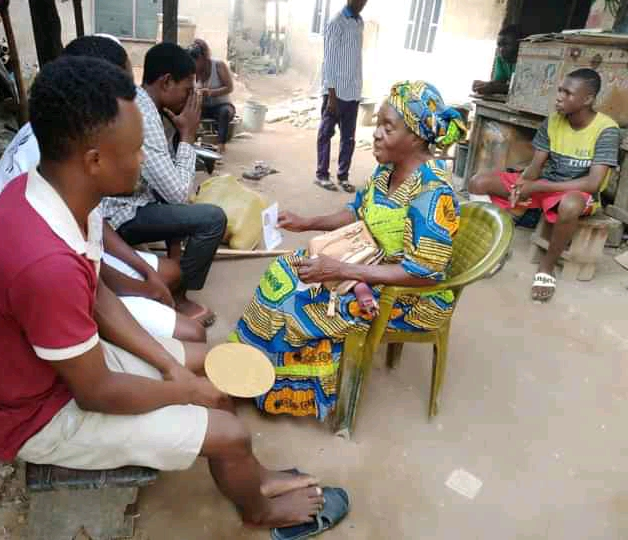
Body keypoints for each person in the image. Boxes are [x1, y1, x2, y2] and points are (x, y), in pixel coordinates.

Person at [0, 55, 351, 536]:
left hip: (60, 373)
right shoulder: (45, 264)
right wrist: (181, 390)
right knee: (228, 429)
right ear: (94, 160)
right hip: (35, 416)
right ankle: (260, 512)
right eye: (136, 149)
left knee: (207, 366)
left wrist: (169, 366)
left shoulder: (57, 195)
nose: (143, 158)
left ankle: (252, 476)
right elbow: (97, 393)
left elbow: (98, 295)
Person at [231, 81, 466, 420]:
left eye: (388, 127)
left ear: (416, 137)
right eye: (378, 123)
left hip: (410, 297)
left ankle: (283, 391)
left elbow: (425, 274)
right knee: (283, 271)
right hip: (367, 266)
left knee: (300, 303)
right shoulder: (387, 171)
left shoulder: (432, 194)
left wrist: (342, 271)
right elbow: (357, 212)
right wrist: (307, 222)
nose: (377, 134)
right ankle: (247, 369)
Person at [0, 35, 205, 343]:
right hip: (58, 282)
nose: (134, 97)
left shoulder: (62, 138)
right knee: (189, 334)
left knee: (169, 275)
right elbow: (91, 274)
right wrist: (143, 288)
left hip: (81, 266)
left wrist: (143, 271)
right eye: (125, 88)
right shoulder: (62, 162)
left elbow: (94, 226)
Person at [102, 43, 227, 328]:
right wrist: (188, 135)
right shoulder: (144, 115)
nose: (191, 98)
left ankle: (173, 270)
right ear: (166, 82)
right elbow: (177, 194)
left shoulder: (148, 105)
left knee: (181, 201)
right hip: (120, 214)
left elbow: (169, 181)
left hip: (133, 201)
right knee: (212, 219)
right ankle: (178, 297)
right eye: (187, 90)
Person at [469, 69, 619, 302]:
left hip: (577, 193)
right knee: (478, 182)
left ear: (588, 99)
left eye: (568, 93)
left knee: (569, 205)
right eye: (560, 90)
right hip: (545, 184)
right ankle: (493, 249)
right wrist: (522, 184)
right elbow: (535, 167)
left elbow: (592, 183)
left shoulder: (606, 130)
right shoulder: (553, 121)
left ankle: (546, 268)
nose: (559, 97)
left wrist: (536, 188)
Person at [315, 0, 368, 193]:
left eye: (365, 0)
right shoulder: (336, 22)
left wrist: (358, 90)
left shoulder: (359, 22)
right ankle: (322, 175)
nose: (362, 3)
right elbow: (328, 61)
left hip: (352, 92)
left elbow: (355, 59)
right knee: (326, 134)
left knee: (348, 138)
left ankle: (343, 176)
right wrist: (331, 95)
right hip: (335, 92)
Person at [188, 38, 235, 154]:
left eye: (196, 61)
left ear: (203, 57)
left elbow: (229, 87)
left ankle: (221, 146)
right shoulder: (192, 71)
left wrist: (210, 92)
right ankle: (190, 143)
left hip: (222, 105)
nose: (194, 64)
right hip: (204, 107)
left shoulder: (218, 65)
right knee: (188, 111)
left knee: (224, 112)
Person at [472, 25, 520, 96]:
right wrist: (484, 85)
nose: (501, 49)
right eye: (499, 45)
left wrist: (494, 87)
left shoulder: (527, 62)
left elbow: (524, 88)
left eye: (506, 44)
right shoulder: (500, 59)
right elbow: (499, 83)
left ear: (519, 44)